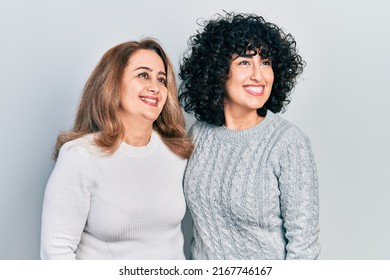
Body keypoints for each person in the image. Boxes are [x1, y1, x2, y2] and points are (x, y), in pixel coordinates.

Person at [179, 12, 320, 260]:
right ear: (218, 71)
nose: (259, 75)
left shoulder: (288, 143)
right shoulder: (198, 135)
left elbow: (304, 248)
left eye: (265, 62)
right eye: (245, 62)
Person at [40, 38, 193, 260]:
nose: (155, 87)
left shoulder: (177, 152)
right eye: (143, 75)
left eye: (162, 79)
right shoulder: (80, 156)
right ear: (113, 83)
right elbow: (56, 253)